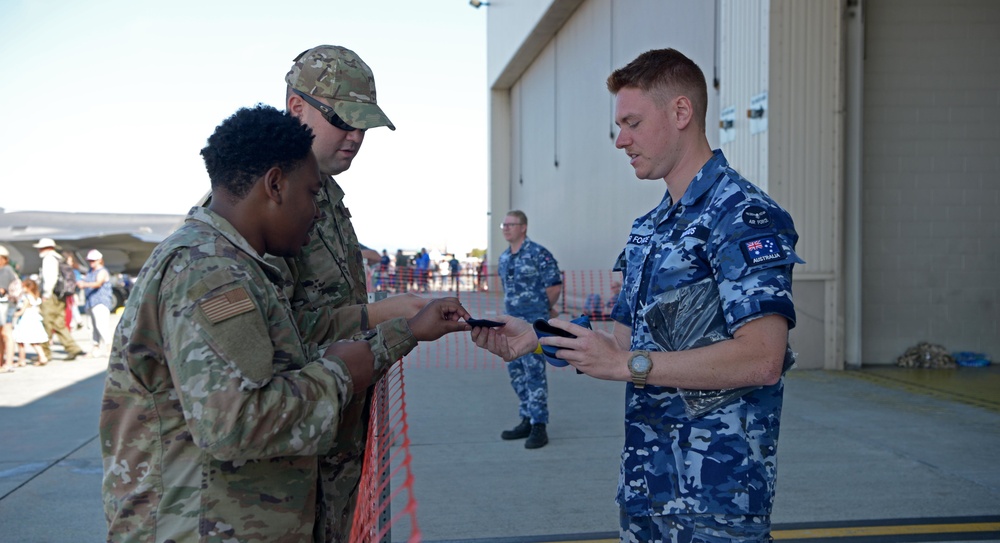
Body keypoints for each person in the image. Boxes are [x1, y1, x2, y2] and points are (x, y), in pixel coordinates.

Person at [473, 49, 802, 542]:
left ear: (681, 113)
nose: (621, 140)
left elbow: (761, 359)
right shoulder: (649, 229)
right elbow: (623, 343)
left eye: (632, 122)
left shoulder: (743, 215)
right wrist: (537, 338)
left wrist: (632, 366)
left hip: (716, 498)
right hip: (648, 487)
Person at [100, 105, 470, 543]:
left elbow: (290, 350)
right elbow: (233, 423)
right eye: (312, 194)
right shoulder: (210, 274)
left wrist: (402, 332)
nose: (316, 213)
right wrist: (339, 374)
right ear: (275, 185)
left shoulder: (241, 265)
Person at [496, 210, 562, 449]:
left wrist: (542, 313)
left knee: (534, 373)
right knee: (516, 373)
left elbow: (554, 286)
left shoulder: (538, 254)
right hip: (511, 327)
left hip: (533, 326)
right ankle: (526, 417)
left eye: (511, 224)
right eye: (504, 224)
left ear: (523, 227)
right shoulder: (504, 258)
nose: (506, 228)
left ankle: (539, 425)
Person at [33, 238, 84, 361]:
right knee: (59, 323)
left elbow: (50, 278)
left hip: (51, 296)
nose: (39, 250)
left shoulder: (49, 259)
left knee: (46, 323)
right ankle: (72, 348)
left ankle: (45, 353)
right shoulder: (59, 258)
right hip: (61, 295)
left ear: (47, 248)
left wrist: (46, 294)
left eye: (41, 247)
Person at [78, 249, 114, 358]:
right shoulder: (90, 271)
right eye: (89, 260)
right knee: (91, 327)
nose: (91, 262)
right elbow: (79, 268)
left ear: (99, 260)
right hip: (90, 302)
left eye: (93, 260)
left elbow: (98, 283)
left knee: (101, 326)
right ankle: (95, 348)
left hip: (100, 302)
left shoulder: (103, 271)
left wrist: (84, 284)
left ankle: (110, 348)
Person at [11, 278, 49, 367]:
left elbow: (22, 311)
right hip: (34, 320)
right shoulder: (36, 297)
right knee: (34, 341)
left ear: (28, 288)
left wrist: (13, 314)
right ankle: (43, 357)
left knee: (20, 341)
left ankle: (22, 360)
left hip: (25, 321)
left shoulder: (26, 298)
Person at [0, 246, 21, 371]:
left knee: (6, 334)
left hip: (5, 306)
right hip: (5, 305)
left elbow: (2, 290)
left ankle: (8, 363)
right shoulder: (6, 269)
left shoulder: (5, 270)